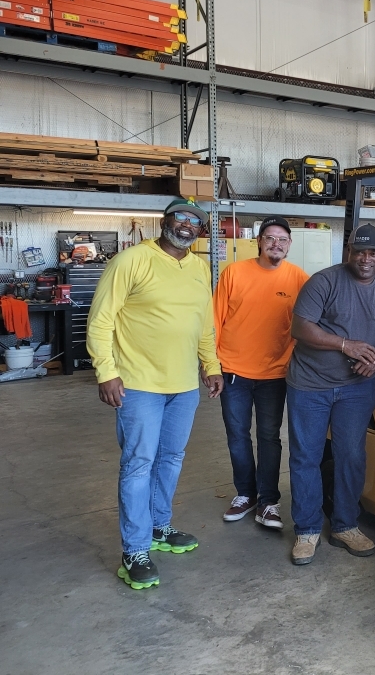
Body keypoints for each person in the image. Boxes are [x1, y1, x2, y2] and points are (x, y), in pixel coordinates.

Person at [87, 198, 224, 591]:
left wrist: (210, 366)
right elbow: (101, 320)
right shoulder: (131, 261)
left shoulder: (199, 268)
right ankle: (134, 549)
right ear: (165, 221)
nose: (186, 225)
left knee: (171, 458)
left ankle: (159, 528)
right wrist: (106, 372)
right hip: (138, 384)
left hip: (183, 387)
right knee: (138, 463)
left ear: (199, 231)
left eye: (194, 221)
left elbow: (203, 327)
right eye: (179, 217)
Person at [286, 223, 375, 565]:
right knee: (306, 456)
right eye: (360, 251)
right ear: (349, 252)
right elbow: (300, 327)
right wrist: (346, 345)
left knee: (351, 456)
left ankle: (344, 525)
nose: (366, 259)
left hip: (357, 388)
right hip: (310, 384)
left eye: (373, 253)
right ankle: (307, 529)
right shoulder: (324, 281)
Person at [213, 216, 309, 530]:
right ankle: (245, 494)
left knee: (269, 437)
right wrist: (211, 366)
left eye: (282, 239)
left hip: (275, 373)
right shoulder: (234, 273)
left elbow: (314, 322)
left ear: (290, 244)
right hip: (233, 371)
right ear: (259, 241)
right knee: (237, 436)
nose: (276, 244)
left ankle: (268, 501)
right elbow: (214, 320)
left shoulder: (299, 279)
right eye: (270, 238)